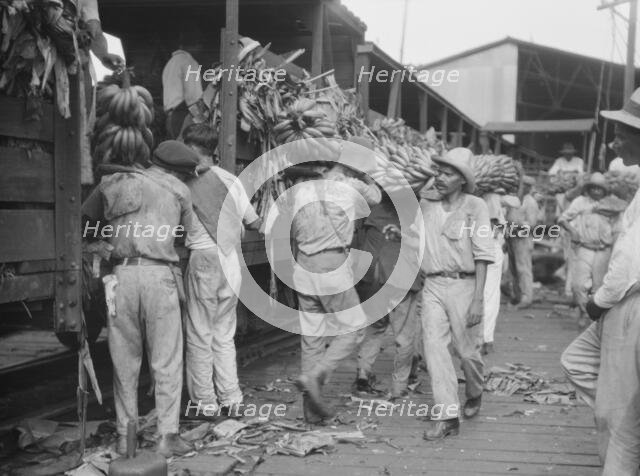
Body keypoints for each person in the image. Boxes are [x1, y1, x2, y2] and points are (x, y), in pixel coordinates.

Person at [81, 140, 200, 457]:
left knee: (124, 362)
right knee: (166, 361)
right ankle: (167, 437)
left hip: (120, 278)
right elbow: (188, 237)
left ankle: (125, 438)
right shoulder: (179, 190)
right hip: (159, 276)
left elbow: (85, 223)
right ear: (179, 171)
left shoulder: (114, 181)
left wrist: (107, 243)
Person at [561, 87, 640, 475]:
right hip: (626, 297)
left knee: (617, 415)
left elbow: (628, 264)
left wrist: (599, 303)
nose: (615, 140)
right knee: (577, 361)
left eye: (625, 131)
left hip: (630, 302)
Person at [291, 137, 382, 422]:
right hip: (332, 263)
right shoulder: (353, 187)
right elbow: (377, 196)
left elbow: (292, 229)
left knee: (312, 340)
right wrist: (366, 172)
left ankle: (311, 415)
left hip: (303, 265)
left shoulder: (302, 188)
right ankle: (317, 375)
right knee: (353, 329)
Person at [180, 124, 262, 415]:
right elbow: (254, 222)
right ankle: (232, 399)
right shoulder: (230, 179)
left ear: (190, 147)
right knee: (223, 334)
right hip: (231, 260)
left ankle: (205, 405)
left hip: (203, 258)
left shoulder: (185, 181)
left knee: (200, 333)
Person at [420, 148, 494, 440]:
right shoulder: (426, 204)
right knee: (435, 349)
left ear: (463, 180)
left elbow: (483, 253)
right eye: (439, 171)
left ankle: (474, 391)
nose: (440, 177)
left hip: (465, 285)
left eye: (448, 173)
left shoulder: (475, 206)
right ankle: (448, 415)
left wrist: (478, 298)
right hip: (434, 285)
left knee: (467, 352)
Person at [353, 194, 423, 398]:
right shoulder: (416, 215)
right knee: (404, 334)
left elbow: (366, 248)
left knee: (374, 329)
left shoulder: (374, 214)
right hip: (400, 279)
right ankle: (402, 384)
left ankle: (363, 375)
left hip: (373, 278)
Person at [558, 173, 616, 327]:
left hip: (604, 250)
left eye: (600, 189)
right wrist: (573, 232)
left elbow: (619, 228)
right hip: (585, 247)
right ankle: (584, 311)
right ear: (588, 189)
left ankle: (596, 319)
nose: (596, 191)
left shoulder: (612, 204)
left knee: (599, 287)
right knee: (578, 285)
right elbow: (563, 219)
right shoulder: (580, 202)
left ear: (605, 190)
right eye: (593, 188)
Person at [505, 176, 539, 309]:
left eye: (525, 186)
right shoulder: (515, 199)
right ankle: (517, 294)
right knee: (513, 268)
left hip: (523, 238)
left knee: (523, 268)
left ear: (529, 188)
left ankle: (526, 297)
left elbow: (531, 225)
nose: (522, 188)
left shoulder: (530, 202)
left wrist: (517, 226)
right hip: (513, 237)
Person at [480, 192, 507, 354]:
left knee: (488, 294)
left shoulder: (490, 197)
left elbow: (494, 226)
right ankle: (484, 337)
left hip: (487, 246)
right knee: (488, 294)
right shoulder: (491, 197)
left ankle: (485, 338)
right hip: (488, 245)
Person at [162, 40, 204, 139]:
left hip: (169, 117)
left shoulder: (170, 62)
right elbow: (193, 96)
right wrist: (200, 120)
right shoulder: (189, 62)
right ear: (196, 46)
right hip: (182, 116)